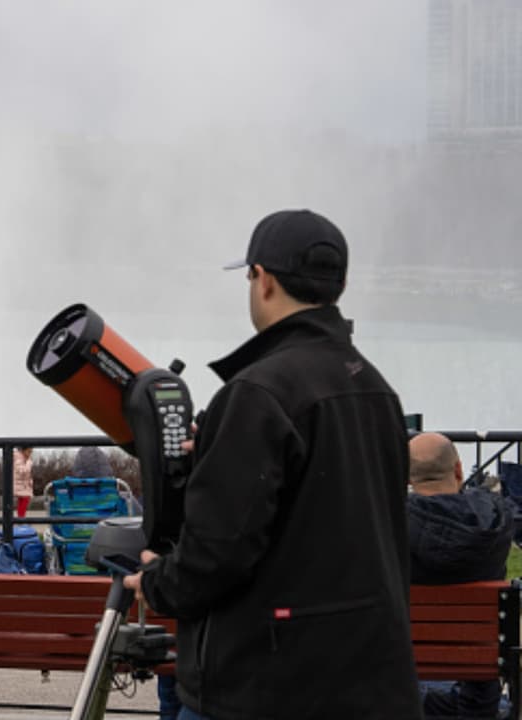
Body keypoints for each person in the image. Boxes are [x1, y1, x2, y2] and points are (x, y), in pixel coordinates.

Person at [124, 209, 420, 718]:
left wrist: (154, 581)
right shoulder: (375, 388)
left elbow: (217, 555)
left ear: (261, 280)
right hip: (371, 682)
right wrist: (220, 454)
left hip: (264, 688)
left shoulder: (257, 393)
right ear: (340, 284)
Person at [408, 432, 512, 719]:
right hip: (479, 690)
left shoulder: (390, 528)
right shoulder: (496, 524)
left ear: (407, 479)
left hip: (406, 679)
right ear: (458, 469)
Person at [12, 446, 34, 518]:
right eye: (29, 452)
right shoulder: (19, 459)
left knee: (23, 501)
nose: (30, 454)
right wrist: (29, 463)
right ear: (23, 451)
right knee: (24, 499)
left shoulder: (23, 458)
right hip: (19, 483)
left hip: (23, 484)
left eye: (31, 452)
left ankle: (20, 517)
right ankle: (21, 518)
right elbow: (23, 471)